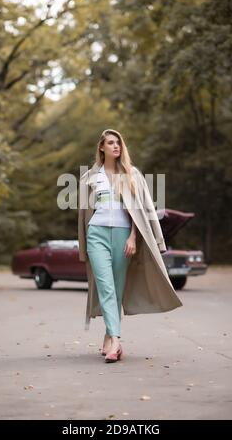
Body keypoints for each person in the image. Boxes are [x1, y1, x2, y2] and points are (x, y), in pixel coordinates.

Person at [78, 129, 182, 363]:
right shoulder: (90, 177)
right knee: (105, 286)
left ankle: (108, 335)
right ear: (101, 148)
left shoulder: (132, 174)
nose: (116, 146)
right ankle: (116, 340)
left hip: (124, 235)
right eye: (111, 143)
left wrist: (133, 237)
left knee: (116, 287)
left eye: (119, 143)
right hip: (97, 234)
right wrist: (83, 243)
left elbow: (142, 210)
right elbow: (83, 214)